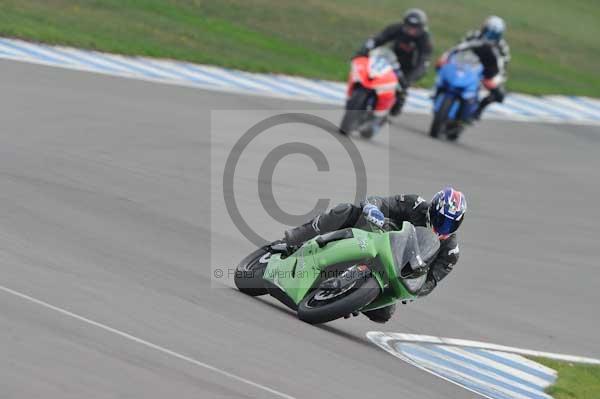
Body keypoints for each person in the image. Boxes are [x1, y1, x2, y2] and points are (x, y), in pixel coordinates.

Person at [284, 187, 466, 323]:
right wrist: (373, 209)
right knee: (347, 211)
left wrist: (414, 286)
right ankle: (298, 237)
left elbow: (430, 282)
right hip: (376, 237)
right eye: (441, 220)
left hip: (395, 274)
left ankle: (348, 298)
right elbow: (381, 202)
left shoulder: (450, 252)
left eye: (450, 224)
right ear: (432, 209)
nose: (443, 227)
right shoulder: (415, 204)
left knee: (383, 315)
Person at [356, 8, 433, 116]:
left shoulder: (425, 39)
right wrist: (363, 51)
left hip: (408, 69)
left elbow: (423, 61)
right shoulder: (396, 28)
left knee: (401, 90)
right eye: (408, 27)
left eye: (414, 28)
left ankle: (392, 108)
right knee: (372, 74)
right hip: (390, 60)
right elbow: (378, 38)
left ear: (421, 28)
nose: (411, 30)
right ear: (404, 24)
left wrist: (409, 79)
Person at [439, 16, 510, 119]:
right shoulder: (473, 36)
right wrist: (446, 58)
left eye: (493, 34)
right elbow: (458, 47)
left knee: (499, 95)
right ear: (484, 28)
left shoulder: (502, 47)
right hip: (466, 64)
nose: (489, 36)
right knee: (443, 70)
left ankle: (479, 109)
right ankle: (438, 92)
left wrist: (494, 81)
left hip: (486, 71)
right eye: (488, 31)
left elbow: (502, 67)